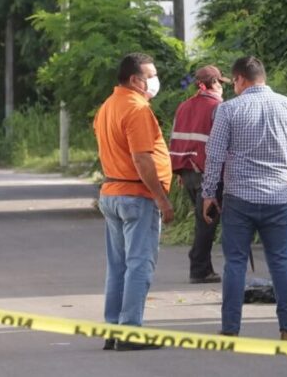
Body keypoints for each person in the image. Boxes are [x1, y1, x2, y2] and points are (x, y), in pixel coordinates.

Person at [201, 56, 287, 341]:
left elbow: (215, 155)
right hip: (278, 198)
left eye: (233, 81)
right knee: (280, 263)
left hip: (239, 200)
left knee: (235, 263)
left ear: (241, 80)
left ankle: (231, 329)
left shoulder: (228, 110)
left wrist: (209, 193)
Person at [93, 52, 174, 351]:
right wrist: (161, 199)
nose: (154, 80)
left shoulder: (107, 106)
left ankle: (114, 329)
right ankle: (130, 332)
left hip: (112, 193)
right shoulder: (137, 109)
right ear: (134, 80)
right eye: (150, 75)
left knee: (118, 267)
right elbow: (141, 158)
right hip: (136, 196)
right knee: (139, 264)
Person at [169, 65, 230, 284]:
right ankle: (199, 268)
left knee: (203, 221)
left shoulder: (184, 107)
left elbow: (177, 139)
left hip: (187, 173)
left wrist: (179, 168)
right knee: (208, 221)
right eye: (219, 83)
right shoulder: (219, 108)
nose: (222, 87)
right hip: (209, 174)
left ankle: (202, 265)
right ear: (209, 84)